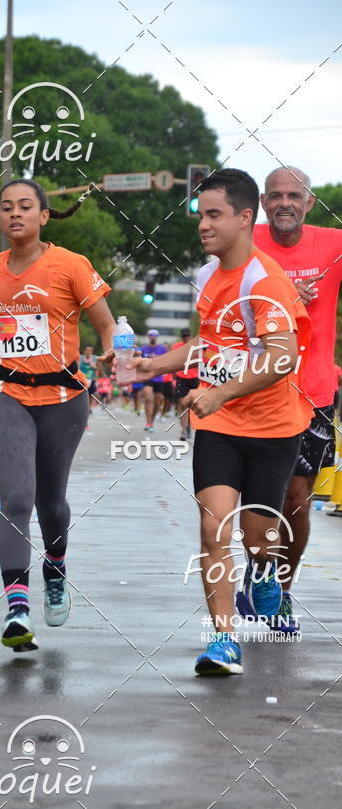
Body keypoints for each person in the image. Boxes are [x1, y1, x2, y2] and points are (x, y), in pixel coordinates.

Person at [129, 168, 312, 676]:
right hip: (220, 426)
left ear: (244, 217)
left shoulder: (265, 281)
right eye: (200, 215)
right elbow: (209, 341)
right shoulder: (208, 277)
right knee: (214, 528)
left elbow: (282, 357)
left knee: (258, 538)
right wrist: (159, 362)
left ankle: (264, 568)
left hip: (274, 428)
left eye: (214, 215)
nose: (203, 225)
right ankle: (223, 639)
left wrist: (221, 392)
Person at [0, 179, 116, 652]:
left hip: (63, 398)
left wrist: (113, 350)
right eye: (6, 208)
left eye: (25, 207)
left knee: (51, 503)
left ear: (44, 216)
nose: (15, 215)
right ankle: (16, 609)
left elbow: (107, 323)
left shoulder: (71, 265)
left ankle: (55, 568)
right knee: (16, 497)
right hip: (3, 391)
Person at [250, 166, 342, 606]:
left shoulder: (333, 244)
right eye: (275, 195)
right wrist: (282, 296)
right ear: (263, 203)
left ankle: (280, 588)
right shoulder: (244, 244)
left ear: (309, 202)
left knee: (297, 497)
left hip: (313, 390)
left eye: (294, 195)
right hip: (253, 387)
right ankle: (259, 567)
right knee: (255, 497)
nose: (284, 203)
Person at [138, 329, 169, 431]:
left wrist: (156, 359)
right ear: (148, 336)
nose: (153, 337)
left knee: (157, 402)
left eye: (155, 335)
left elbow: (167, 361)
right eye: (151, 335)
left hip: (159, 378)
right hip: (148, 377)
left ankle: (152, 421)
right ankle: (148, 422)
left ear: (157, 337)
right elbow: (139, 363)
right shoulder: (144, 349)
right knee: (148, 398)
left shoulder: (163, 349)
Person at [172, 326, 199, 440]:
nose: (186, 338)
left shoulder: (197, 346)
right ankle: (183, 430)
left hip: (195, 377)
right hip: (181, 377)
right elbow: (172, 361)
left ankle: (189, 427)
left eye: (187, 336)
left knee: (193, 405)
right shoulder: (176, 346)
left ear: (191, 335)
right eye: (184, 336)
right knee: (182, 404)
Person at [79, 344, 99, 414]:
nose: (89, 352)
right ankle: (85, 407)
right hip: (82, 379)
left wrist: (95, 367)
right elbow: (77, 368)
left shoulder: (95, 358)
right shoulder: (80, 358)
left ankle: (89, 408)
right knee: (83, 394)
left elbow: (100, 368)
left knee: (91, 394)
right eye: (88, 350)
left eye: (91, 351)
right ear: (84, 351)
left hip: (92, 379)